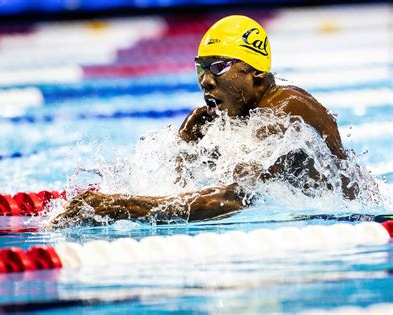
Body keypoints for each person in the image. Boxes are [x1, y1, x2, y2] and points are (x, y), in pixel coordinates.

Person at [49, 15, 356, 228]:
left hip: (342, 223)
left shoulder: (279, 113)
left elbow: (230, 200)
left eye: (219, 67)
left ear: (258, 78)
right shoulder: (236, 117)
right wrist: (185, 149)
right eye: (201, 69)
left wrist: (123, 206)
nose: (206, 81)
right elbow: (186, 185)